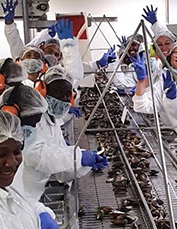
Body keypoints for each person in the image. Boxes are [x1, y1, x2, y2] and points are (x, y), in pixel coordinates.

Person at [16, 66, 108, 202]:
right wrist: (78, 157)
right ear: (42, 90)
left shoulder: (52, 120)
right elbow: (34, 156)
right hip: (21, 194)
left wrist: (83, 165)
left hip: (34, 195)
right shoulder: (31, 119)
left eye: (67, 95)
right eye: (57, 92)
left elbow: (60, 171)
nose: (63, 98)